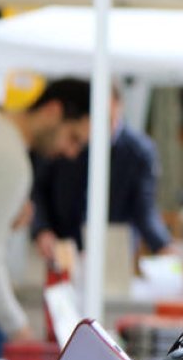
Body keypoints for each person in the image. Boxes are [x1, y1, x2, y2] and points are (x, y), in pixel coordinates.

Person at [0, 78, 91, 351]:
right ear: (52, 111)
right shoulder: (12, 160)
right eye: (73, 137)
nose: (71, 153)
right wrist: (20, 330)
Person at [30, 84, 171, 260]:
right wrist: (42, 228)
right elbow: (39, 188)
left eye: (107, 119)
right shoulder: (69, 141)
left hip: (113, 250)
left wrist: (163, 246)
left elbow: (144, 209)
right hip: (63, 245)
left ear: (118, 105)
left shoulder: (139, 151)